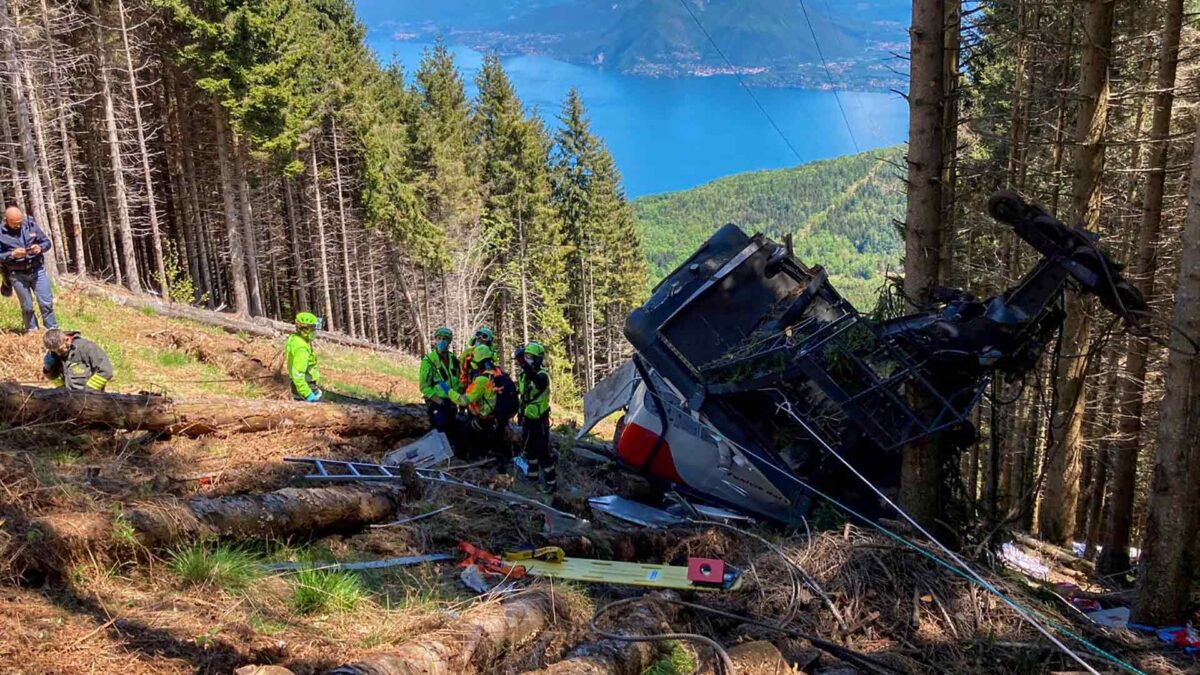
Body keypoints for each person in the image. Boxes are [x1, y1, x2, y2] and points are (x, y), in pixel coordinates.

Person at [451, 343, 517, 469]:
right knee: (492, 442)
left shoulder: (482, 380)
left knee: (464, 436)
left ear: (477, 362)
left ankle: (473, 464)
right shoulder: (500, 373)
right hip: (500, 419)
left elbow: (464, 400)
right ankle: (494, 460)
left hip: (486, 419)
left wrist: (449, 391)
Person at [0, 205, 57, 333]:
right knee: (27, 307)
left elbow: (47, 242)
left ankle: (52, 331)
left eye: (20, 222)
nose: (19, 225)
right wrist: (12, 255)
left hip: (37, 270)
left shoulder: (31, 225)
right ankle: (32, 332)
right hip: (16, 273)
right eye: (15, 224)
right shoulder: (1, 233)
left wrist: (40, 248)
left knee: (46, 303)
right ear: (6, 220)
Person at [515, 341, 555, 492]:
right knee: (529, 449)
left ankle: (551, 483)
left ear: (538, 359)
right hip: (527, 418)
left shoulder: (542, 375)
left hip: (540, 421)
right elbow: (522, 393)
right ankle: (532, 478)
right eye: (525, 356)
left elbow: (538, 383)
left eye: (530, 357)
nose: (527, 360)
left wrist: (523, 364)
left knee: (542, 451)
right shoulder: (523, 376)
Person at [42, 329, 113, 392]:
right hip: (68, 397)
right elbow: (56, 379)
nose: (58, 354)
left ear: (67, 340)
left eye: (60, 350)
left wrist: (88, 391)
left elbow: (106, 371)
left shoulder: (86, 347)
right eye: (55, 351)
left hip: (90, 397)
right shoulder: (54, 353)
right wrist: (49, 370)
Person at [419, 326, 460, 433]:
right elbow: (424, 387)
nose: (441, 341)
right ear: (436, 339)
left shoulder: (454, 359)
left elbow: (459, 380)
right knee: (441, 426)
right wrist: (440, 401)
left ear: (449, 341)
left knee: (454, 429)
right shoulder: (429, 361)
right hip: (437, 402)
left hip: (452, 401)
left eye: (445, 339)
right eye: (439, 338)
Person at [286, 312, 323, 401]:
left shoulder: (295, 339)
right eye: (313, 329)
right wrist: (308, 394)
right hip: (306, 386)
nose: (315, 331)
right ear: (306, 330)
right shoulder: (301, 348)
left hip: (299, 385)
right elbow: (298, 373)